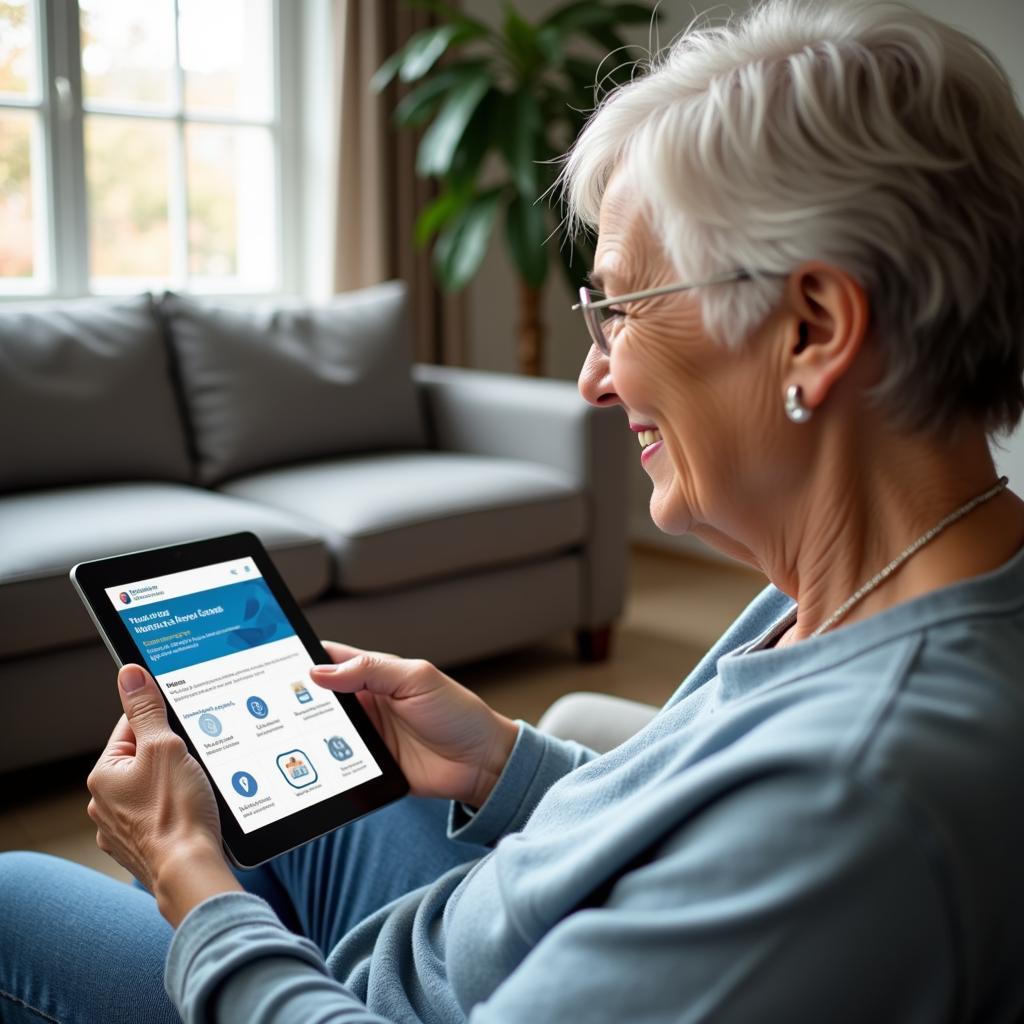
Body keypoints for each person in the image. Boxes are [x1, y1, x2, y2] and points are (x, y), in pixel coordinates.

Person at [4, 0, 1024, 1019]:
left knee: (18, 898)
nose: (593, 377)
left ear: (811, 325)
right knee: (269, 780)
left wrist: (194, 885)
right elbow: (686, 822)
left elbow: (762, 826)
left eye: (617, 306)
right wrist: (503, 758)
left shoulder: (853, 796)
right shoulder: (883, 579)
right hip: (477, 935)